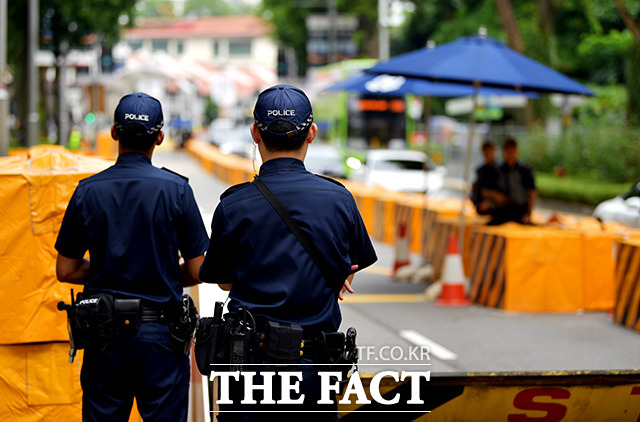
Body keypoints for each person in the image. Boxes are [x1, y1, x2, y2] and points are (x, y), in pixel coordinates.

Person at [199, 84, 378, 420]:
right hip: (315, 369)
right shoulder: (339, 200)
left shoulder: (233, 206)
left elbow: (222, 281)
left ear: (255, 133)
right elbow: (351, 266)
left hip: (249, 370)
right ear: (311, 133)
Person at [55, 92, 209, 422]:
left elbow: (66, 269)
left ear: (113, 133)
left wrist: (110, 267)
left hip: (103, 335)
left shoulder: (87, 190)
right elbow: (198, 268)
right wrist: (163, 271)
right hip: (162, 337)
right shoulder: (177, 189)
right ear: (160, 136)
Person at [487, 138, 537, 225]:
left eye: (512, 152)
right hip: (503, 210)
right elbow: (487, 190)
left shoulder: (525, 170)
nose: (510, 155)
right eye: (508, 152)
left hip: (520, 210)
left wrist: (528, 213)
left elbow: (532, 192)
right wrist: (494, 195)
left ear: (517, 151)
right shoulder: (497, 170)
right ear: (504, 152)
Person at [471, 140, 500, 215]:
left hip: (496, 205)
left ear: (494, 152)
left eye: (490, 152)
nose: (488, 155)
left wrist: (490, 201)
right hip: (481, 204)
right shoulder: (481, 170)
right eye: (486, 152)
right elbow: (477, 190)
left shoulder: (500, 170)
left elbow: (502, 193)